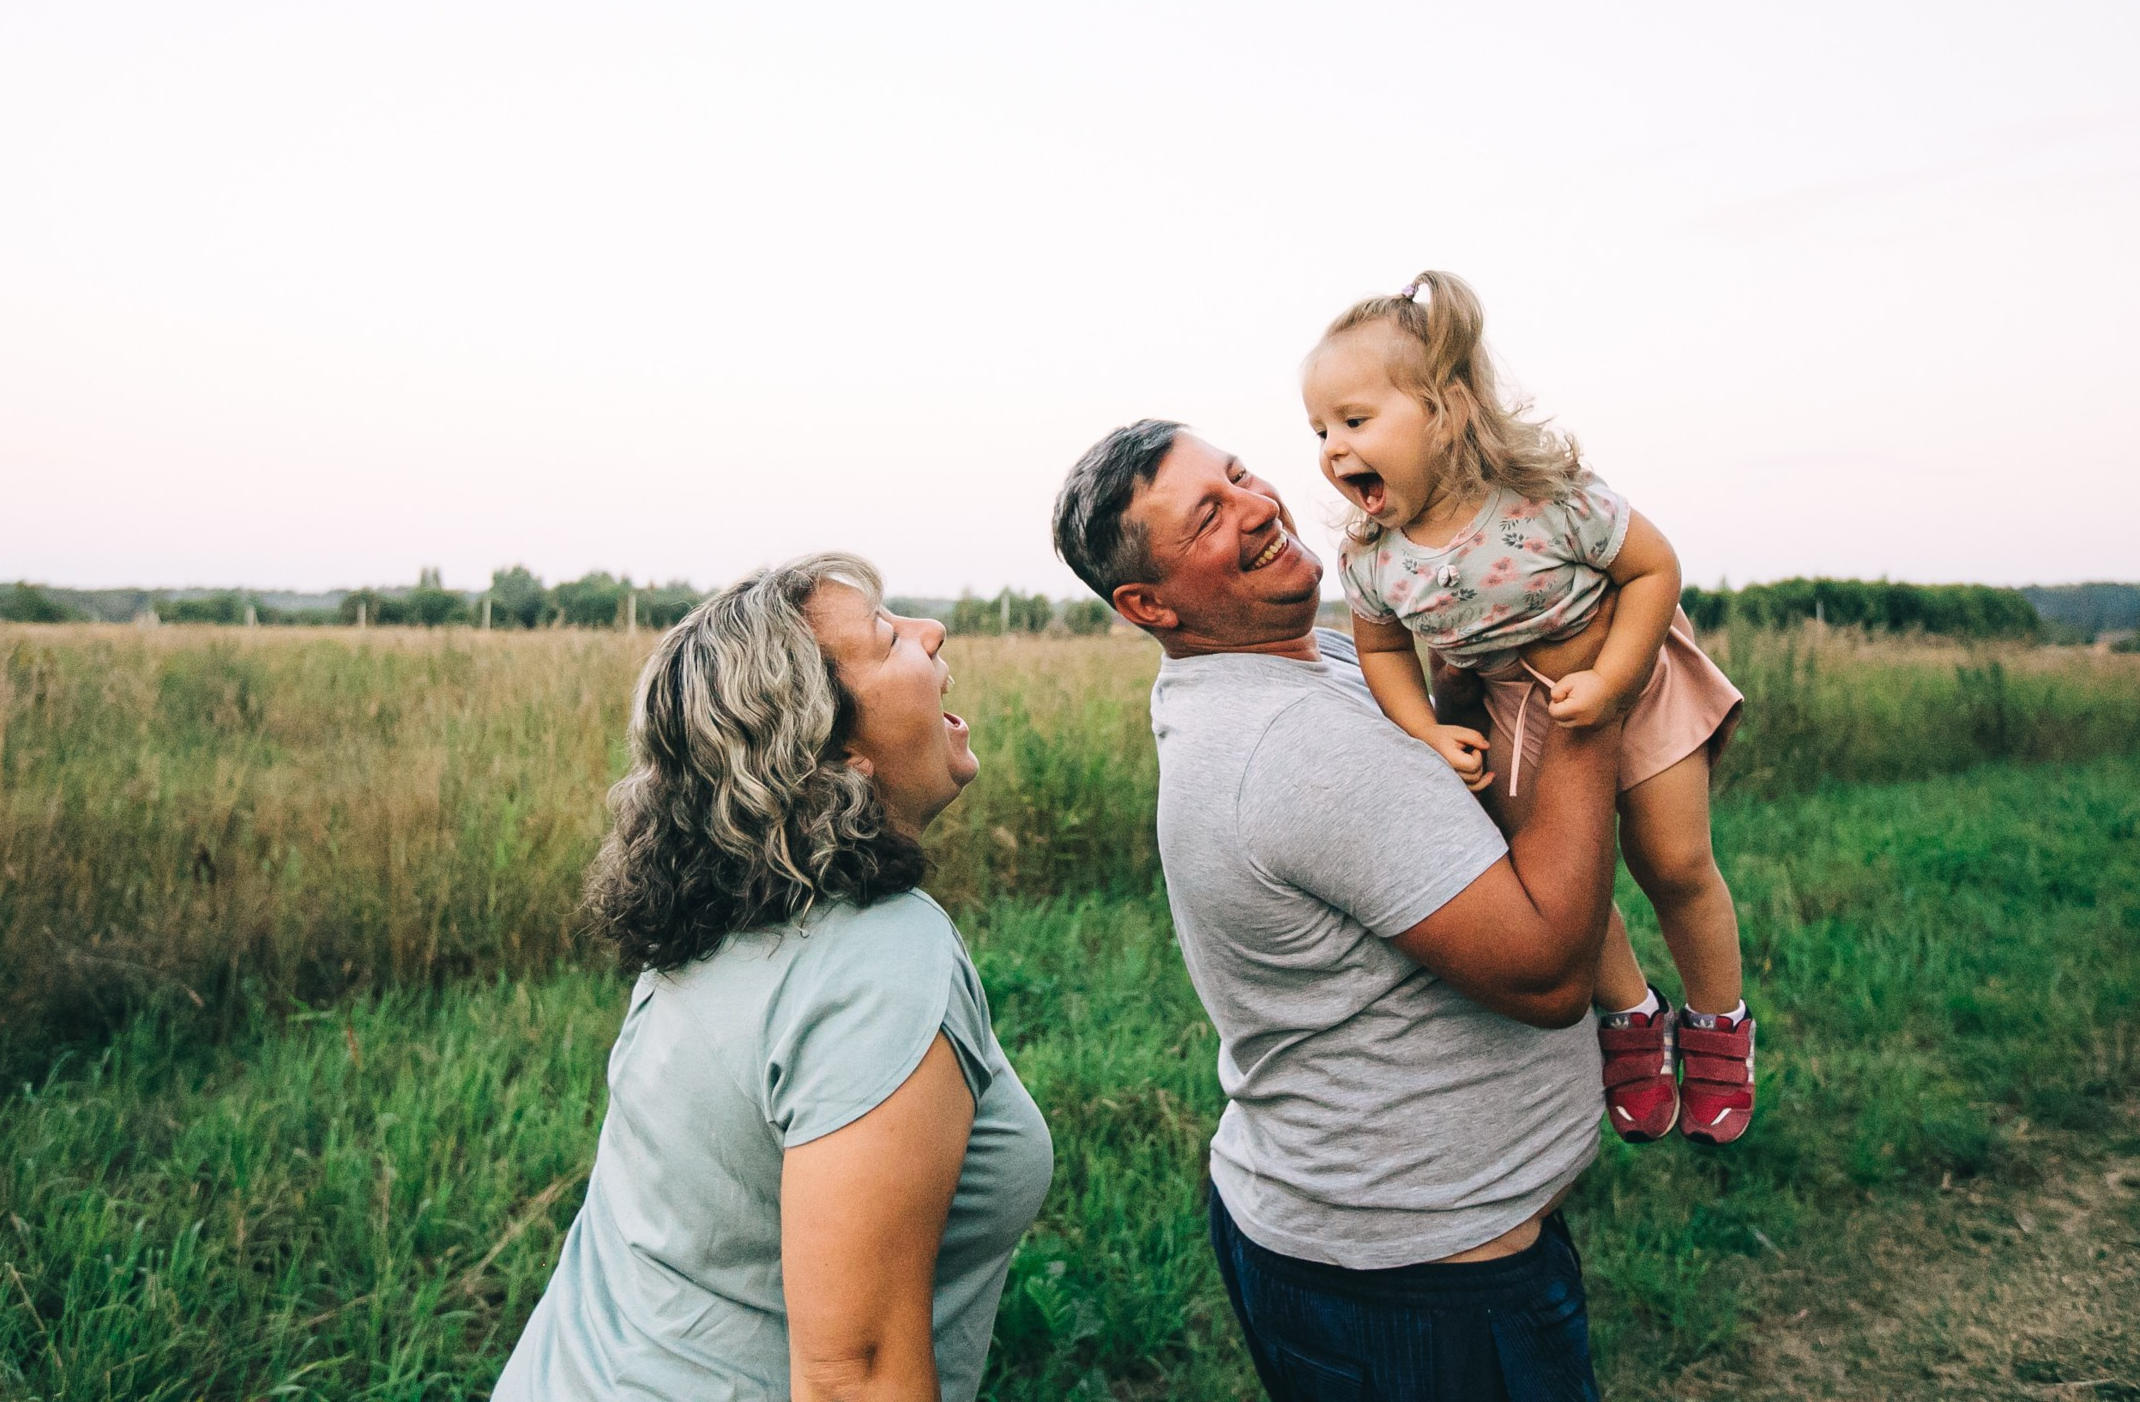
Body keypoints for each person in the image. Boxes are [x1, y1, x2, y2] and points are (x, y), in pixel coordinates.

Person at [1052, 420, 1627, 1402]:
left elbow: (1454, 757)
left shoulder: (1308, 662)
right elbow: (1545, 972)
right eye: (1208, 514)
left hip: (1391, 1250)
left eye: (1237, 475)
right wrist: (1586, 683)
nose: (1259, 504)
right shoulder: (1293, 744)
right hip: (1420, 1290)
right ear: (1149, 604)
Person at [494, 554, 1053, 1402]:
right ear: (836, 750)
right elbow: (853, 1378)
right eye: (888, 634)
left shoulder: (708, 922)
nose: (932, 632)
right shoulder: (880, 958)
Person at [1304, 271, 1752, 1146]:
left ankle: (1719, 1022)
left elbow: (1653, 569)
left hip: (1636, 678)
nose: (1331, 447)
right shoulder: (1373, 558)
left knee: (1673, 860)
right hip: (1517, 713)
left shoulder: (1547, 497)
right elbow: (1384, 648)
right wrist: (1427, 728)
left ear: (1447, 409)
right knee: (1568, 885)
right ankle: (1629, 1015)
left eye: (1355, 422)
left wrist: (1618, 678)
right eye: (1319, 429)